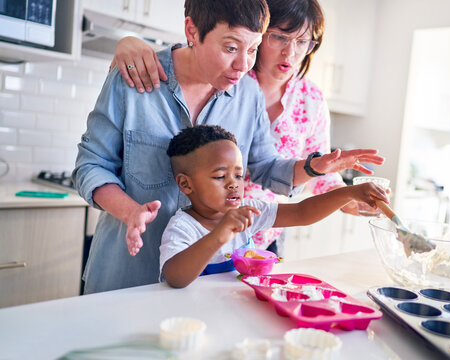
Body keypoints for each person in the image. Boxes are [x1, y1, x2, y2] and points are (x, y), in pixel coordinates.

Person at [74, 0, 384, 294]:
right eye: (231, 47)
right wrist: (130, 212)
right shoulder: (135, 74)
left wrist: (313, 167)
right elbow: (90, 167)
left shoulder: (248, 93)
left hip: (207, 290)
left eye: (252, 49)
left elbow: (263, 166)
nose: (243, 64)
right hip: (126, 276)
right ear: (192, 31)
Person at [161, 125, 388, 288]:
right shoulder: (183, 227)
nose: (233, 184)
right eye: (220, 176)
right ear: (185, 184)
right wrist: (220, 234)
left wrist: (349, 192)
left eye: (239, 175)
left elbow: (301, 212)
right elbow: (174, 278)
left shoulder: (247, 209)